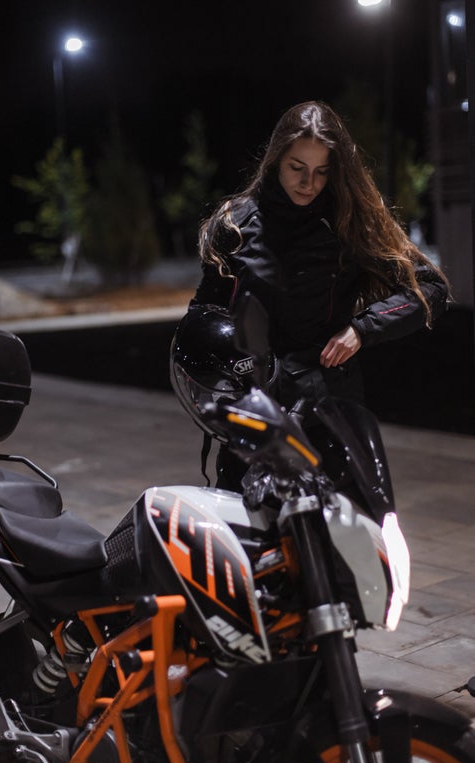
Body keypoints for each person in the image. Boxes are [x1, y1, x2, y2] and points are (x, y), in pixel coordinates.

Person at [183, 100, 449, 491]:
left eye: (322, 171)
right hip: (255, 410)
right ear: (276, 159)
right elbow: (205, 316)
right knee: (247, 525)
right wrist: (214, 379)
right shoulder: (235, 224)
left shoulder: (350, 221)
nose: (309, 183)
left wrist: (361, 330)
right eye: (297, 168)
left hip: (329, 409)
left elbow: (430, 287)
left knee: (343, 527)